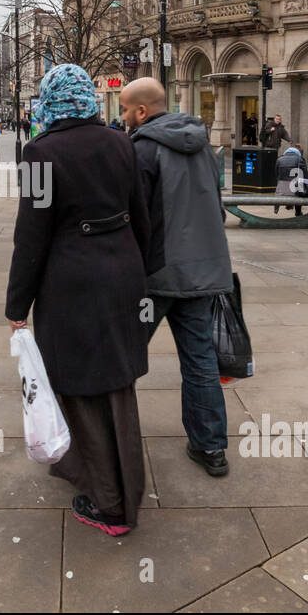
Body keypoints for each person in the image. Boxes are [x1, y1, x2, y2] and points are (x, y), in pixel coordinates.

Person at [6, 65, 150, 537]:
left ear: (49, 101)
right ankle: (118, 482)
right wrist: (138, 273)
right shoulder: (120, 142)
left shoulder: (41, 153)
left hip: (72, 282)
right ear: (87, 98)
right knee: (116, 383)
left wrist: (16, 305)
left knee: (80, 385)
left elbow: (32, 236)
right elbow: (144, 219)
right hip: (122, 273)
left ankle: (109, 502)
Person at [121, 76, 236, 479]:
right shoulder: (203, 145)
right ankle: (211, 447)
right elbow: (215, 206)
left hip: (155, 275)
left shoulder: (140, 149)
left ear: (140, 111)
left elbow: (135, 217)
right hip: (202, 272)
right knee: (201, 360)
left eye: (123, 110)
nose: (122, 118)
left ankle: (116, 445)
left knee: (124, 358)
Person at [275, 144, 308, 216]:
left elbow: (276, 175)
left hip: (282, 190)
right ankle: (298, 212)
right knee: (299, 188)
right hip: (295, 190)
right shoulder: (300, 159)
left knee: (285, 185)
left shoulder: (279, 159)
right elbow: (306, 176)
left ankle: (282, 204)